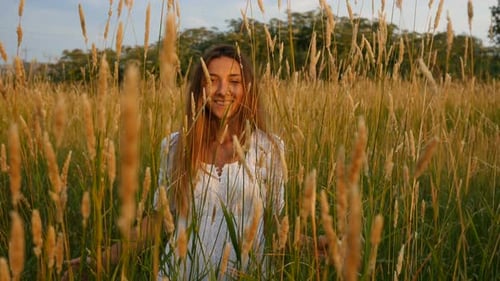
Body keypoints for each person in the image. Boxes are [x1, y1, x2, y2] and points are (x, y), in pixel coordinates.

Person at [64, 44, 286, 281]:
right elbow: (160, 220)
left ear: (248, 88)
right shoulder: (175, 146)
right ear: (199, 88)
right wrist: (101, 261)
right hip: (182, 272)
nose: (222, 90)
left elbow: (273, 224)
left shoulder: (269, 148)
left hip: (247, 273)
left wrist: (316, 242)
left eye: (234, 81)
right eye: (212, 80)